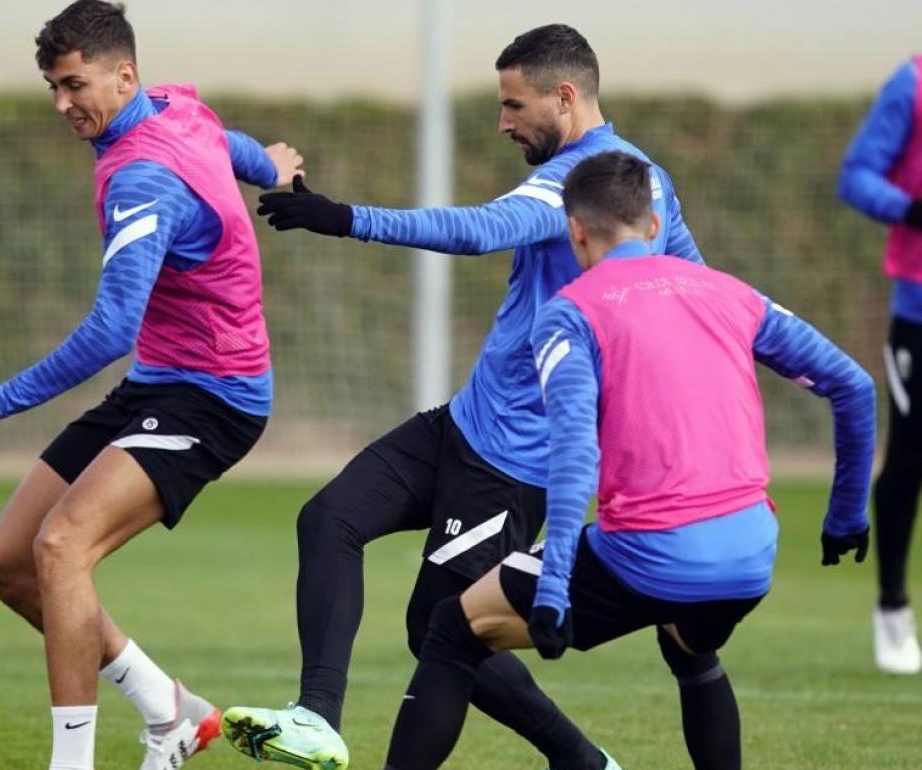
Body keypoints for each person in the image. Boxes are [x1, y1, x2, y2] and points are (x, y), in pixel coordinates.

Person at [223, 25, 740, 770]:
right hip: (464, 424)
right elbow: (704, 292)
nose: (502, 122)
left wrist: (347, 219)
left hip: (516, 461)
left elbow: (480, 228)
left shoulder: (581, 181)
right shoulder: (640, 180)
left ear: (565, 96)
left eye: (513, 105)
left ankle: (582, 761)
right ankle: (316, 718)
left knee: (442, 625)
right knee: (329, 517)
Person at [378, 150, 876, 770]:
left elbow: (574, 452)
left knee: (451, 629)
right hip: (750, 556)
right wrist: (847, 515)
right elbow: (852, 386)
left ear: (576, 231)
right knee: (689, 648)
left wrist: (555, 586)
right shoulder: (731, 293)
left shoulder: (570, 313)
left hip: (644, 554)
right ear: (655, 226)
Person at [0, 3, 302, 769]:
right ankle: (170, 710)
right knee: (7, 562)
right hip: (157, 384)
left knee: (61, 547)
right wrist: (270, 164)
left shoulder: (140, 180)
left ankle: (74, 763)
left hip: (216, 399)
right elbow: (219, 142)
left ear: (123, 75)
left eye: (74, 85)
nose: (63, 104)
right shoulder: (168, 107)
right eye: (53, 89)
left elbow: (108, 330)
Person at [838, 53, 922, 675]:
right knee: (911, 457)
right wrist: (912, 210)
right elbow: (857, 175)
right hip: (919, 311)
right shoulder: (913, 84)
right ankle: (892, 609)